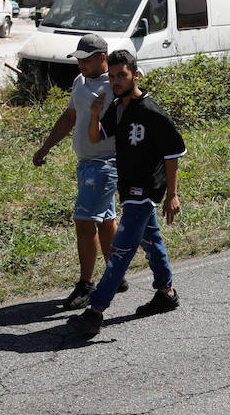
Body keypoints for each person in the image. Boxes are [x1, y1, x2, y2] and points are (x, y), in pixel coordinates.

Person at [70, 49, 186, 341]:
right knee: (151, 239)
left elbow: (173, 154)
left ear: (136, 75)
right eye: (113, 76)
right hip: (127, 186)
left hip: (146, 190)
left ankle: (95, 312)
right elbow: (97, 137)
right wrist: (95, 114)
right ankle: (166, 293)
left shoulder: (151, 111)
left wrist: (172, 194)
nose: (116, 81)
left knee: (120, 252)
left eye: (122, 75)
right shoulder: (117, 107)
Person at [32, 33, 125, 309]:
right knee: (105, 220)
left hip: (106, 163)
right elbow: (70, 116)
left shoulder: (114, 85)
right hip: (86, 163)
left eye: (85, 60)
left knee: (84, 221)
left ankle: (86, 285)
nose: (80, 64)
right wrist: (46, 146)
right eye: (78, 59)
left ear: (102, 58)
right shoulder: (80, 82)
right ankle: (116, 275)